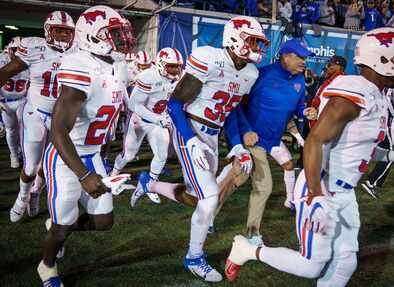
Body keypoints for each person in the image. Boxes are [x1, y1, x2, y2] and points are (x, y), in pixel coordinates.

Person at [224, 27, 394, 286]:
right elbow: (315, 142)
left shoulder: (375, 95)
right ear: (381, 59)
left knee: (346, 261)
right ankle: (247, 250)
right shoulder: (355, 93)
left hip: (344, 191)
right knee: (311, 266)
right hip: (321, 186)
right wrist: (316, 195)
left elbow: (359, 150)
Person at [132, 16, 268, 282]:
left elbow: (229, 110)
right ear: (233, 39)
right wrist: (189, 139)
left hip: (213, 134)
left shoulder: (249, 73)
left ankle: (150, 184)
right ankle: (194, 257)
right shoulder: (209, 58)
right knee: (209, 199)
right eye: (252, 40)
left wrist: (237, 145)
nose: (256, 47)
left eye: (259, 42)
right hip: (189, 128)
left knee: (198, 199)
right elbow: (174, 104)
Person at [36, 5, 135, 286]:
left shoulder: (117, 64)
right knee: (60, 228)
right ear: (91, 36)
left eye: (122, 32)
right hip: (66, 158)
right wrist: (83, 175)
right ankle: (47, 266)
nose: (122, 39)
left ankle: (59, 228)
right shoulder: (79, 65)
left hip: (92, 154)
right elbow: (58, 131)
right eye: (114, 34)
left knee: (104, 222)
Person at [214, 38, 317, 245]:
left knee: (237, 178)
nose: (304, 62)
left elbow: (298, 107)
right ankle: (252, 234)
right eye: (300, 57)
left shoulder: (299, 81)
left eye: (306, 58)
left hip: (273, 140)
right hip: (253, 140)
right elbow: (236, 107)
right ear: (286, 56)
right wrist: (246, 131)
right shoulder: (259, 75)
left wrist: (305, 111)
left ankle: (207, 210)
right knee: (264, 186)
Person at [0, 11, 75, 222]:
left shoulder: (79, 52)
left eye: (67, 31)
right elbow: (5, 72)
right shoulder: (34, 47)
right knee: (31, 165)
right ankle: (22, 196)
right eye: (58, 30)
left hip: (62, 118)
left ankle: (36, 192)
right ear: (48, 31)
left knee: (49, 163)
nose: (62, 35)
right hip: (35, 112)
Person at [111, 47, 183, 206]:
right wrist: (158, 119)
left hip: (158, 121)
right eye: (171, 66)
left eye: (177, 65)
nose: (176, 69)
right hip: (139, 119)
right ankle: (113, 177)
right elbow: (134, 105)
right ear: (161, 64)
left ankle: (149, 185)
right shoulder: (148, 76)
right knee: (128, 155)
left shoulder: (178, 78)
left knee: (162, 155)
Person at [0, 37, 29, 168]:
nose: (16, 53)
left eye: (19, 50)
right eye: (14, 50)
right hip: (5, 101)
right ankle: (13, 154)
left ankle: (23, 153)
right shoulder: (2, 60)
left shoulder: (31, 61)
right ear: (8, 49)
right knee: (11, 130)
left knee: (24, 129)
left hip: (22, 100)